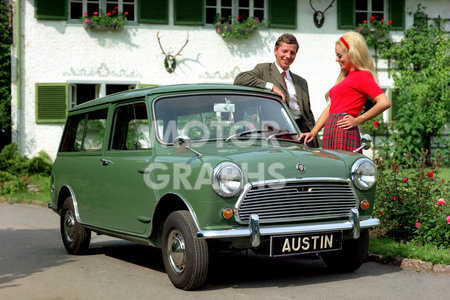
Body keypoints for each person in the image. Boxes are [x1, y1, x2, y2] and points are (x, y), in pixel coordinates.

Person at [299, 32, 391, 153]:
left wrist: (359, 119)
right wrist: (314, 131)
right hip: (331, 130)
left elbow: (384, 102)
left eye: (340, 56)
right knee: (332, 169)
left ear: (352, 54)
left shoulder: (362, 76)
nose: (336, 59)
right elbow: (331, 107)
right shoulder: (345, 78)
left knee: (342, 168)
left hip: (344, 131)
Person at [234, 33, 319, 147]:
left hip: (303, 132)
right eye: (284, 51)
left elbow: (308, 115)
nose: (288, 56)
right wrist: (271, 87)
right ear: (275, 51)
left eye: (292, 53)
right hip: (278, 132)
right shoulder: (264, 70)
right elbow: (240, 79)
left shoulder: (301, 82)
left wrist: (314, 137)